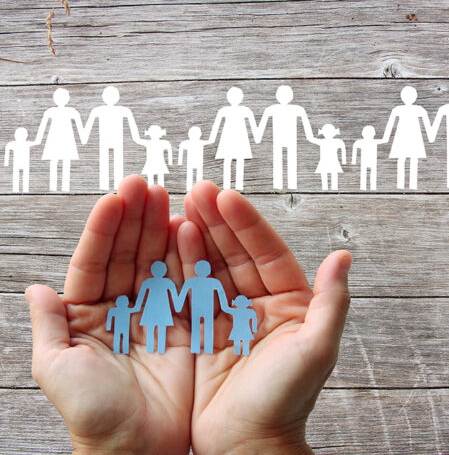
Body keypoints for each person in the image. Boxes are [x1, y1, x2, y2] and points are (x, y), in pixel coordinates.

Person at [26, 175, 352, 454]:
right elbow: (178, 294)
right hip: (178, 315)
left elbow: (184, 294)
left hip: (195, 315)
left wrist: (261, 439)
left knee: (202, 334)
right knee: (192, 334)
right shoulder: (190, 283)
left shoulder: (206, 282)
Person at [81, 86, 141, 191]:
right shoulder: (98, 110)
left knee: (118, 162)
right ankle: (105, 186)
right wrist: (84, 138)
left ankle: (118, 187)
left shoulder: (123, 110)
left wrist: (138, 139)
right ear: (103, 97)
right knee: (104, 162)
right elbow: (89, 125)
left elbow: (132, 126)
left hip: (117, 141)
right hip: (104, 141)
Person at [256, 86, 314, 190]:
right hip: (278, 139)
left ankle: (291, 184)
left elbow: (306, 124)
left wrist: (310, 137)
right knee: (278, 160)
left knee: (291, 160)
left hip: (290, 139)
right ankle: (279, 184)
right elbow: (263, 123)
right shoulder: (271, 109)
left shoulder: (297, 109)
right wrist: (258, 137)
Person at [34, 88, 85, 192]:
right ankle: (53, 188)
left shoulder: (72, 111)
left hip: (67, 140)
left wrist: (83, 138)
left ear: (68, 98)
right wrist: (38, 141)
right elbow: (43, 126)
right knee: (54, 163)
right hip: (53, 139)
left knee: (66, 163)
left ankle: (65, 188)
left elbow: (79, 126)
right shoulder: (50, 111)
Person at [208, 87, 259, 191]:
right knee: (227, 160)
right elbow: (217, 125)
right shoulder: (224, 110)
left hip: (241, 137)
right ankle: (227, 186)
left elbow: (253, 125)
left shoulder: (245, 110)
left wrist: (257, 137)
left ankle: (238, 186)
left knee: (239, 160)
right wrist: (211, 139)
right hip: (227, 137)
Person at [382, 86, 432, 190]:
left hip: (412, 137)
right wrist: (385, 138)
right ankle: (403, 186)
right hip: (404, 137)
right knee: (405, 160)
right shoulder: (401, 109)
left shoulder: (415, 109)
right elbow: (390, 124)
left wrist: (385, 138)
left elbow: (390, 124)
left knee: (408, 160)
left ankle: (410, 186)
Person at [176, 260, 230, 354]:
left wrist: (178, 305)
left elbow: (183, 294)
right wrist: (225, 307)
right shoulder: (212, 282)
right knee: (205, 326)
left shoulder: (193, 281)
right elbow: (221, 296)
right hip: (203, 307)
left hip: (201, 307)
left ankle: (198, 348)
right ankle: (204, 348)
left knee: (199, 326)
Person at [132, 260, 179, 354]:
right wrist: (178, 306)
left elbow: (141, 296)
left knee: (153, 328)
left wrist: (136, 307)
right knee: (157, 328)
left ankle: (153, 348)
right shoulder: (165, 282)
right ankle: (156, 348)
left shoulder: (153, 282)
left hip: (157, 307)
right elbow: (141, 295)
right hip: (156, 307)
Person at [308, 123, 346, 191]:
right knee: (325, 181)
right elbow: (310, 139)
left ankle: (332, 191)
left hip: (333, 162)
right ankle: (326, 191)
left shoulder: (337, 141)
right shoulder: (323, 141)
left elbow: (343, 149)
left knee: (333, 179)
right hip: (325, 163)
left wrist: (344, 161)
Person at [4, 127, 38, 193]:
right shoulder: (13, 143)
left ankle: (24, 190)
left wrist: (6, 163)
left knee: (24, 176)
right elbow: (7, 149)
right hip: (18, 163)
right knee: (17, 176)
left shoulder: (26, 143)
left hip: (24, 163)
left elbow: (37, 142)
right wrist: (6, 163)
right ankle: (17, 190)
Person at [178, 126, 210, 191]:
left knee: (198, 176)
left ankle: (198, 189)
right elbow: (181, 149)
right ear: (189, 134)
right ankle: (190, 189)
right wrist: (179, 162)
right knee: (190, 175)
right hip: (191, 162)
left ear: (200, 134)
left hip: (198, 162)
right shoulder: (186, 143)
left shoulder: (200, 142)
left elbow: (211, 141)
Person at [352, 125, 383, 191]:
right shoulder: (362, 142)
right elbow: (354, 146)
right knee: (366, 174)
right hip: (366, 161)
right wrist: (353, 161)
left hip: (371, 162)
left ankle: (371, 188)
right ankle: (366, 188)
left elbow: (355, 146)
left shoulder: (372, 141)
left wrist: (354, 161)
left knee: (370, 174)